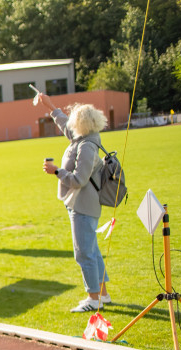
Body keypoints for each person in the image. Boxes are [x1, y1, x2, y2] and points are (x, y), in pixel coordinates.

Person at [36, 93, 112, 312]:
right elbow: (65, 125)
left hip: (83, 205)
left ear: (82, 124)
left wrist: (57, 171)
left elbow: (79, 180)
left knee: (84, 252)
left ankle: (93, 298)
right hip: (82, 203)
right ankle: (102, 294)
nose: (70, 123)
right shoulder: (84, 138)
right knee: (93, 250)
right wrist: (50, 106)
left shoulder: (87, 146)